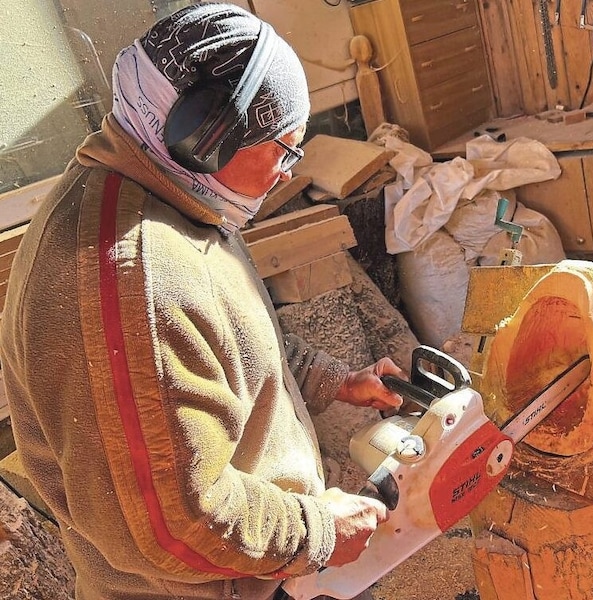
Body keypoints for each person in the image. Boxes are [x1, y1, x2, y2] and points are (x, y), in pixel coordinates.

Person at [0, 3, 404, 599]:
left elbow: (223, 350)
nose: (287, 171)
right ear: (207, 137)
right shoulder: (135, 277)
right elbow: (174, 525)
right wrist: (316, 533)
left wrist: (335, 381)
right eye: (284, 149)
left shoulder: (168, 193)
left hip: (256, 572)